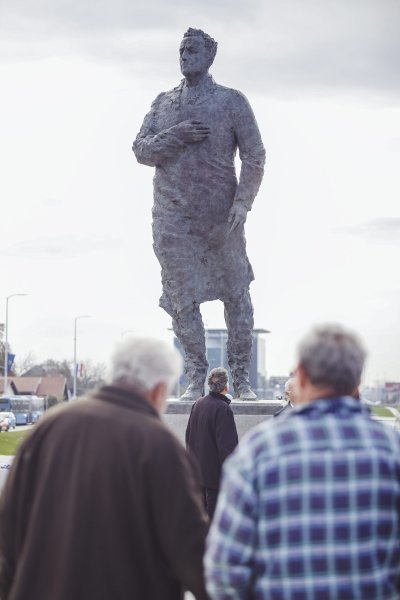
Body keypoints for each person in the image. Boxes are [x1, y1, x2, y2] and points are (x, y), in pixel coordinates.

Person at [0, 338, 209, 600]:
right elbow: (191, 553)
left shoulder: (47, 428)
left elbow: (8, 530)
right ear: (158, 390)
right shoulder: (160, 445)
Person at [205, 324, 400, 599]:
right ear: (357, 381)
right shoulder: (391, 452)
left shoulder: (257, 452)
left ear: (303, 375)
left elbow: (225, 572)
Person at [133, 28, 265, 401]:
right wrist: (177, 135)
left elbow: (255, 155)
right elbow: (141, 150)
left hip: (220, 218)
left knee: (236, 293)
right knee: (181, 299)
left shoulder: (231, 102)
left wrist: (242, 203)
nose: (185, 55)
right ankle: (196, 375)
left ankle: (241, 378)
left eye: (192, 50)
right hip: (172, 220)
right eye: (181, 50)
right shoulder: (163, 104)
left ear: (210, 57)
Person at [186, 367, 238, 519]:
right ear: (226, 386)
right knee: (215, 522)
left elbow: (188, 437)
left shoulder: (198, 404)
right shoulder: (223, 409)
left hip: (197, 476)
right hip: (215, 480)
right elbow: (227, 448)